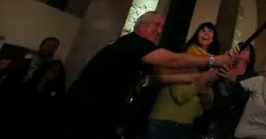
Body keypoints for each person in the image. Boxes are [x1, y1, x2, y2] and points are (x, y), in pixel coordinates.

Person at [64, 11, 237, 139]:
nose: (160, 30)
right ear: (141, 25)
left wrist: (201, 77)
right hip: (85, 110)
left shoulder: (137, 49)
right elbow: (174, 61)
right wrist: (215, 60)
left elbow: (163, 77)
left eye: (161, 26)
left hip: (101, 113)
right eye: (156, 25)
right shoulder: (135, 43)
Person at [146, 22, 222, 139]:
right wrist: (200, 84)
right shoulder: (185, 58)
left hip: (187, 124)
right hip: (166, 122)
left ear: (213, 39)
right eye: (202, 30)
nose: (206, 33)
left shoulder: (211, 65)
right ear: (196, 35)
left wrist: (204, 92)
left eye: (210, 31)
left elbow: (208, 102)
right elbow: (180, 96)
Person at [208, 42, 257, 139]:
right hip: (214, 120)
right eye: (240, 47)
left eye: (246, 48)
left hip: (234, 127)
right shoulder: (224, 67)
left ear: (250, 58)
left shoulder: (253, 78)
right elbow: (208, 62)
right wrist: (223, 57)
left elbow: (248, 101)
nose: (242, 49)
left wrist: (235, 81)